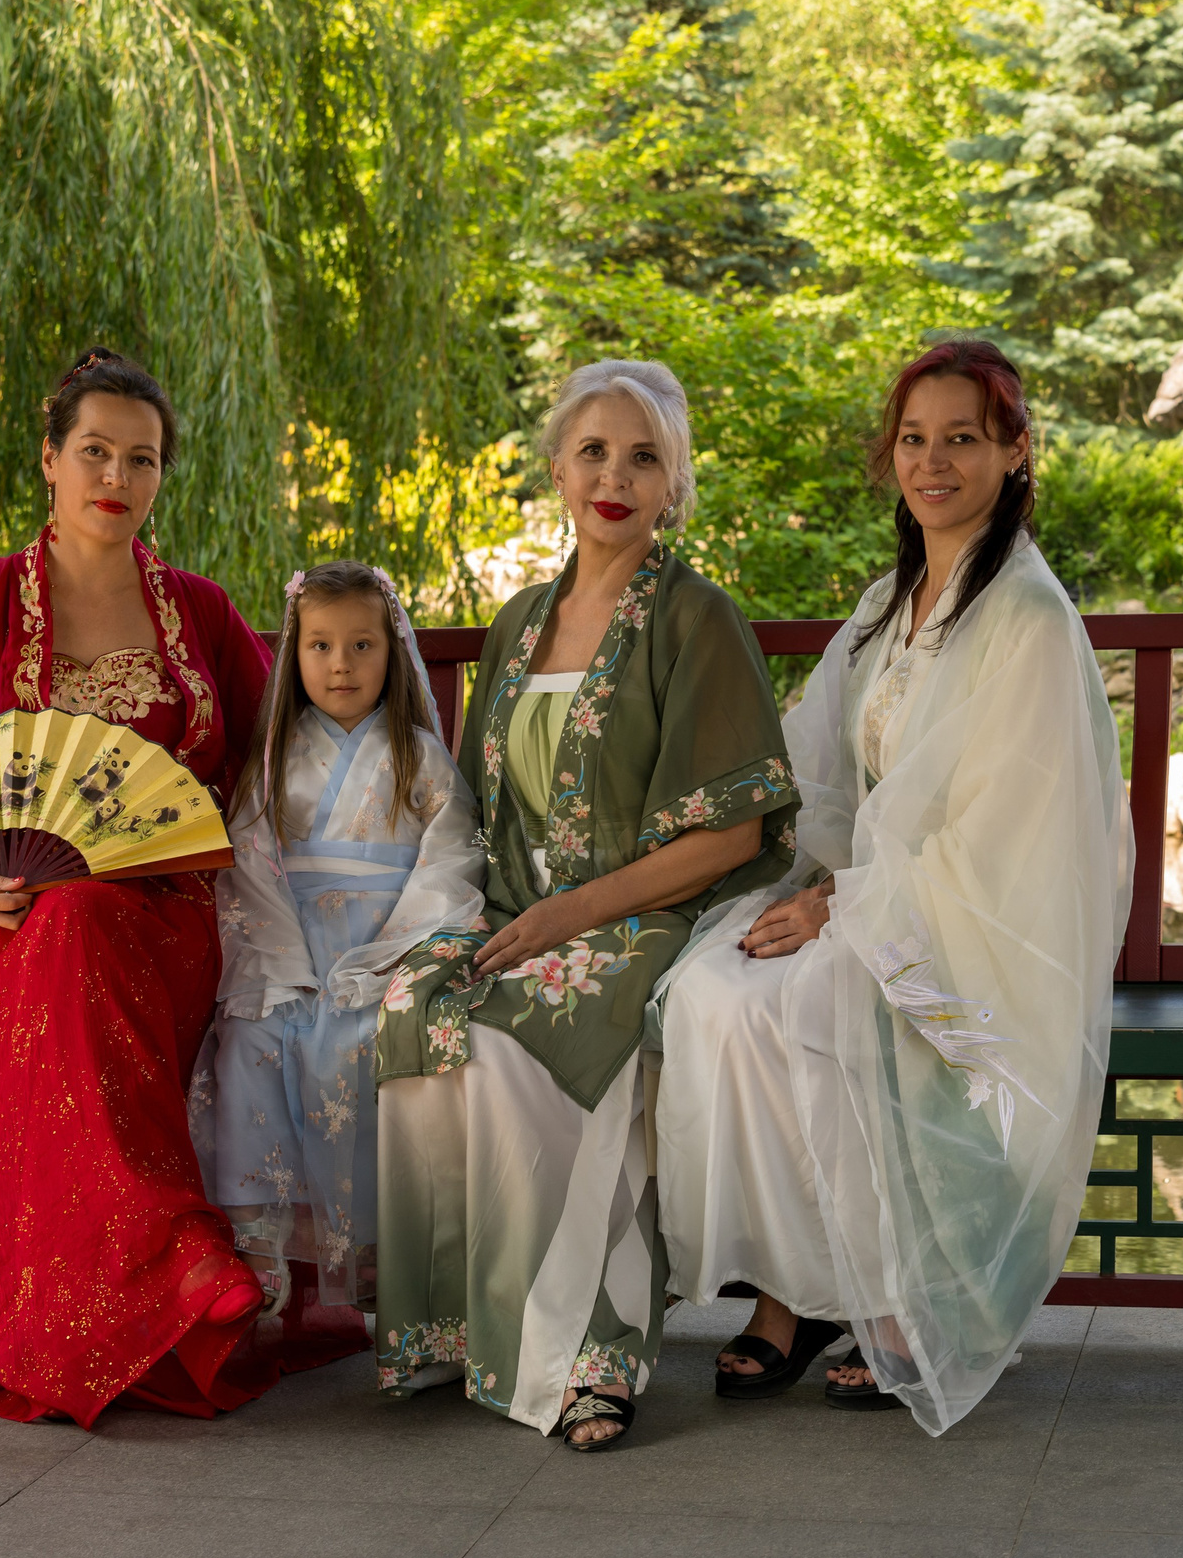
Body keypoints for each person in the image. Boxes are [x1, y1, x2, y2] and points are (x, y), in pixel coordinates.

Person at [656, 340, 1131, 1434]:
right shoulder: (887, 602)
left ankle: (895, 1294)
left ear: (1013, 453)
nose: (932, 461)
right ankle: (794, 1287)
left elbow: (1011, 838)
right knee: (711, 992)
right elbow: (810, 762)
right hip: (873, 897)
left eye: (961, 437)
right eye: (913, 438)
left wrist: (839, 908)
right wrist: (769, 864)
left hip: (980, 926)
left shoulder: (1027, 618)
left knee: (816, 1003)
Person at [0, 346, 341, 1427]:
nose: (115, 475)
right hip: (14, 918)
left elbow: (282, 771)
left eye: (142, 457)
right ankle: (161, 1268)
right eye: (94, 450)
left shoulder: (204, 615)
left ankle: (167, 1269)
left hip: (181, 919)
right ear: (48, 459)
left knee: (80, 925)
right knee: (63, 922)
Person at [373, 360, 799, 1451]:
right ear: (558, 465)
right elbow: (483, 806)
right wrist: (480, 920)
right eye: (595, 451)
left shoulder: (696, 619)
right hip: (525, 903)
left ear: (673, 486)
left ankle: (587, 1355)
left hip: (655, 908)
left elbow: (735, 830)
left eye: (643, 457)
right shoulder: (518, 622)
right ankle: (457, 1326)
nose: (615, 475)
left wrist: (571, 919)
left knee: (526, 1038)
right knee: (416, 1010)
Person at [193, 560, 488, 1314]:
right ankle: (260, 1249)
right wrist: (283, 966)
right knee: (253, 1041)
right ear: (295, 655)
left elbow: (450, 857)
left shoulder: (418, 756)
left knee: (369, 1037)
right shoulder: (269, 762)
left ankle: (373, 1251)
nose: (341, 664)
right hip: (290, 950)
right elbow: (248, 865)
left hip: (383, 950)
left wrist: (389, 956)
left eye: (362, 645)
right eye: (320, 645)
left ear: (391, 652)